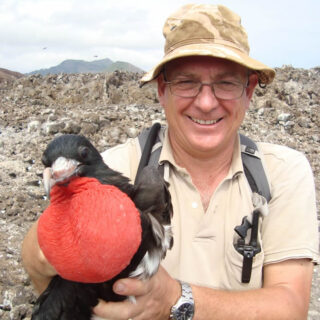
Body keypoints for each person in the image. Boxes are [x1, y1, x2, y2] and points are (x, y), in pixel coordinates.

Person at [22, 4, 319, 319]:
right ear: (162, 90)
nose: (206, 103)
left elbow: (290, 308)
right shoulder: (114, 167)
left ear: (249, 91)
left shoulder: (282, 173)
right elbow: (37, 259)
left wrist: (176, 300)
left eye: (227, 83)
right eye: (186, 82)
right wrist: (53, 247)